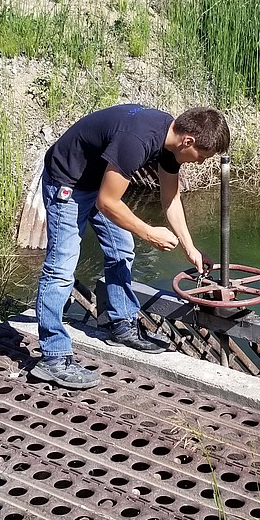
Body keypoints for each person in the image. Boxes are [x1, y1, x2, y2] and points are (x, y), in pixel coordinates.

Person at [31, 104, 230, 389]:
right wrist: (149, 233)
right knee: (61, 268)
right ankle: (53, 357)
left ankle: (121, 325)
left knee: (122, 248)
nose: (200, 163)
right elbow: (107, 203)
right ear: (189, 141)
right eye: (202, 156)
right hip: (68, 181)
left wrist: (190, 247)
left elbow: (170, 200)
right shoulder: (137, 140)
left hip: (98, 182)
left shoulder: (170, 144)